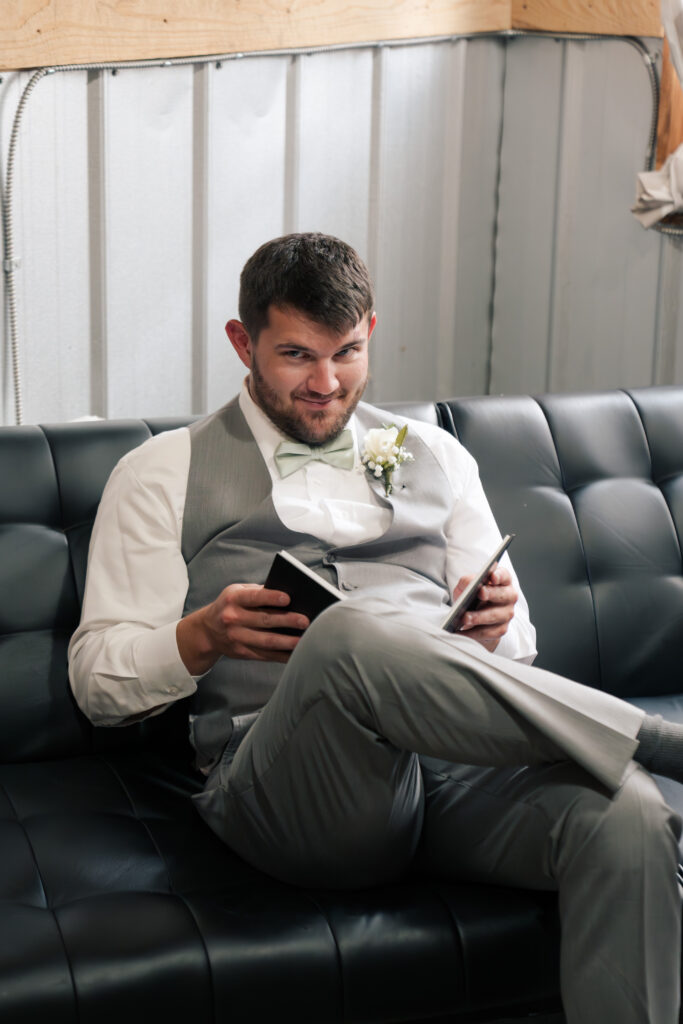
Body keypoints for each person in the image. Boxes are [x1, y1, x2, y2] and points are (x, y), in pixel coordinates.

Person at [69, 232, 682, 1024]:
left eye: (347, 354)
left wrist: (494, 628)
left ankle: (645, 767)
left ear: (371, 334)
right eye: (296, 356)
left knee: (628, 816)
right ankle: (661, 741)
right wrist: (200, 639)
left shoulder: (434, 453)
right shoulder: (163, 470)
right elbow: (96, 682)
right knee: (351, 631)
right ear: (241, 343)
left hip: (455, 771)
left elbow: (518, 647)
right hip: (292, 786)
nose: (326, 384)